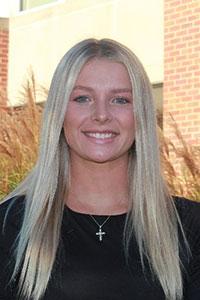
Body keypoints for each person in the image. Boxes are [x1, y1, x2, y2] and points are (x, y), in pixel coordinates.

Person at [0, 38, 200, 300]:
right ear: (59, 114)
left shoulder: (189, 225)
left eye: (120, 99)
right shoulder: (11, 224)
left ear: (140, 115)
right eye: (82, 98)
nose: (101, 114)